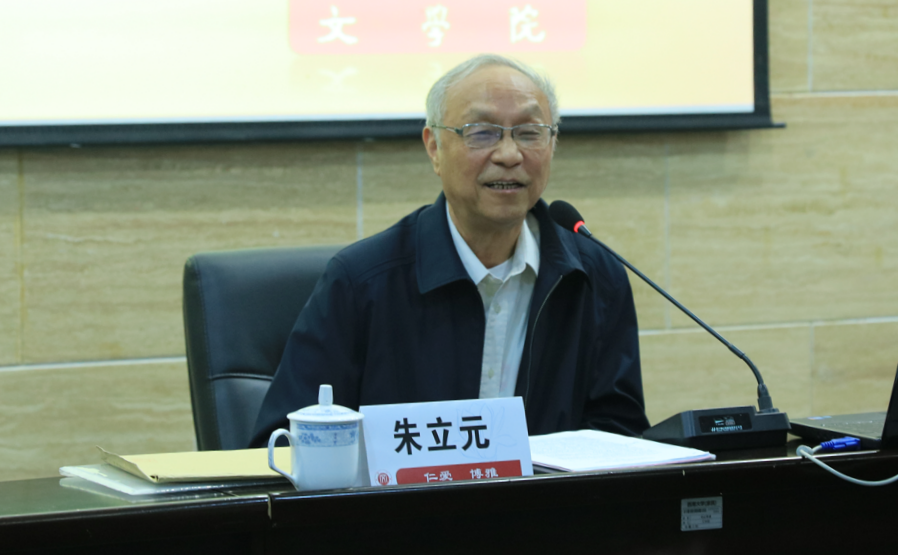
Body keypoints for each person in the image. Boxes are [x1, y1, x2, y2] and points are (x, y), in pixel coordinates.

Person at [249, 54, 648, 447]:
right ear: (434, 148)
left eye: (530, 133)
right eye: (482, 132)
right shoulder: (361, 282)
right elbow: (284, 444)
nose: (509, 155)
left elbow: (620, 435)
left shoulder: (594, 277)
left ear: (553, 143)